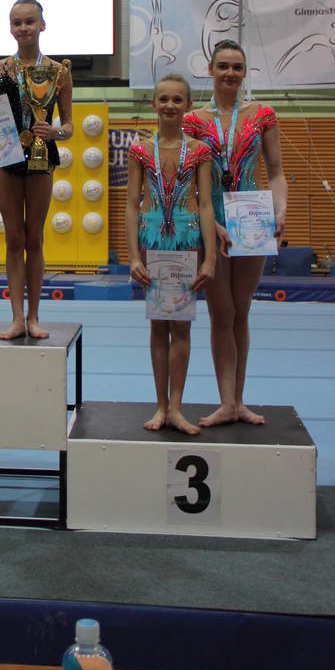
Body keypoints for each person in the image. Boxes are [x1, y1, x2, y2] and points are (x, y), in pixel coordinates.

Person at [183, 41, 288, 426]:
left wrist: (280, 209)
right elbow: (186, 182)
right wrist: (210, 223)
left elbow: (275, 172)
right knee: (220, 310)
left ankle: (237, 402)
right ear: (210, 69)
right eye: (223, 66)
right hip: (210, 219)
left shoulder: (262, 115)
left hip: (252, 217)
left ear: (245, 72)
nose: (230, 73)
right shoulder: (192, 120)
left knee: (241, 310)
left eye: (237, 67)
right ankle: (226, 402)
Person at [126, 74, 216, 435]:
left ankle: (176, 406)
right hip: (151, 241)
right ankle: (161, 405)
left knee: (181, 326)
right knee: (157, 325)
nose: (170, 105)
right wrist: (133, 257)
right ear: (153, 104)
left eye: (177, 100)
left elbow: (205, 205)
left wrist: (210, 258)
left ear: (188, 106)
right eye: (163, 99)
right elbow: (131, 205)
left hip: (186, 240)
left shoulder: (199, 151)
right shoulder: (139, 151)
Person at [0, 0, 73, 340]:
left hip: (41, 155)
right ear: (10, 28)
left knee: (34, 237)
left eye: (30, 21)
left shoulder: (59, 72)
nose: (23, 28)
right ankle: (16, 318)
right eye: (17, 22)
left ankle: (34, 316)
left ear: (42, 25)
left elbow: (69, 126)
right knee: (13, 238)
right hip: (7, 156)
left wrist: (55, 132)